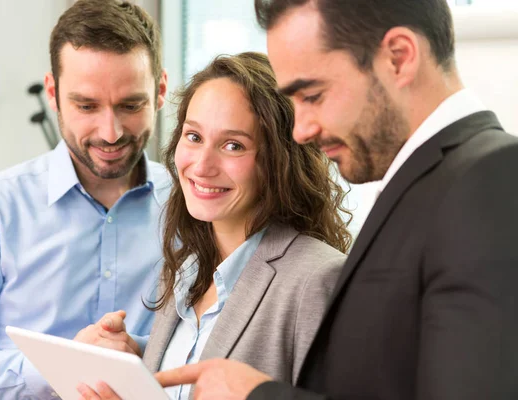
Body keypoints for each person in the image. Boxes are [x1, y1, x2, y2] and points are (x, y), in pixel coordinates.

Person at [150, 0, 518, 399]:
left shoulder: (492, 176)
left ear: (399, 58)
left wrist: (260, 395)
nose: (302, 130)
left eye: (314, 94)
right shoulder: (425, 184)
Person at [0, 0, 170, 399]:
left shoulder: (191, 206)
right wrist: (63, 365)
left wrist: (137, 351)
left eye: (130, 105)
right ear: (52, 93)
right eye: (86, 105)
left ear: (159, 91)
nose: (110, 132)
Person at [76, 51, 352, 400]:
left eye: (233, 145)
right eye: (193, 137)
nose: (202, 165)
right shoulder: (185, 269)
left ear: (279, 161)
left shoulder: (319, 279)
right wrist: (132, 359)